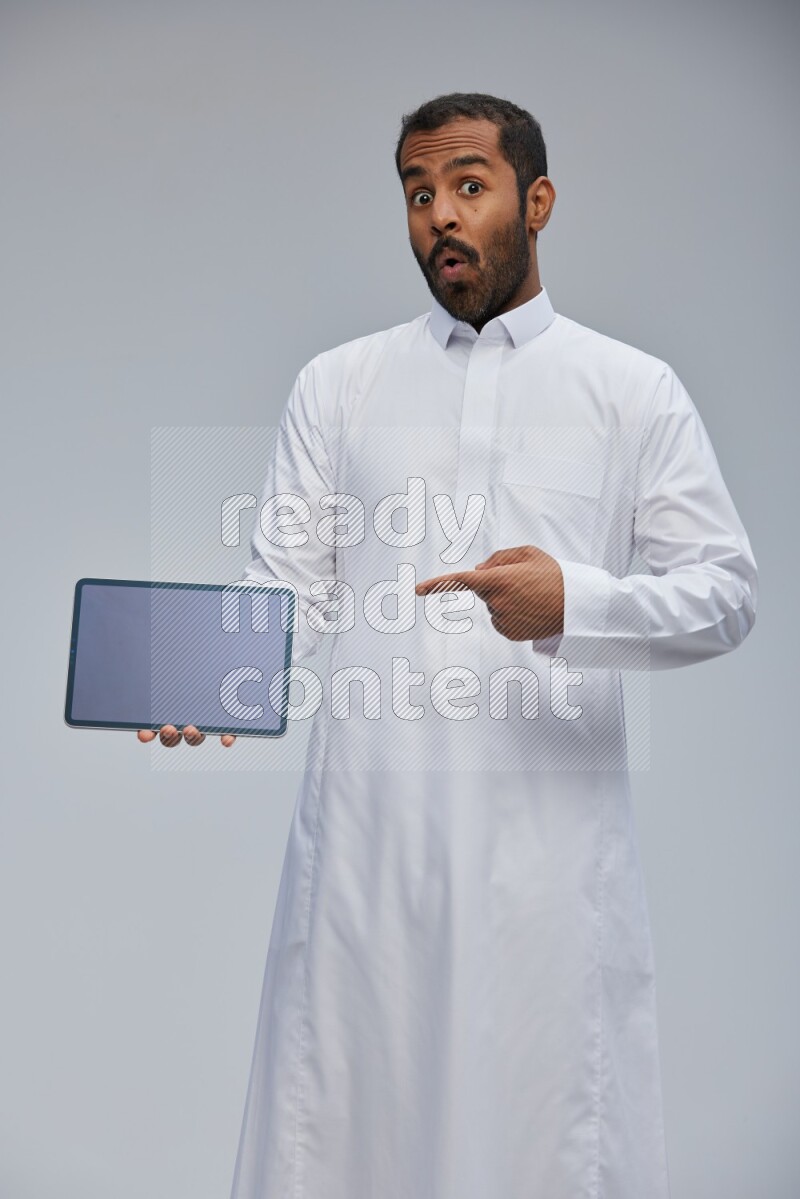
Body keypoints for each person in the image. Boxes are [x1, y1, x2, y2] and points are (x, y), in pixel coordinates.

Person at [139, 93, 757, 1198]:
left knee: (541, 1138)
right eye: (417, 193)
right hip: (365, 864)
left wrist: (572, 599)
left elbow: (722, 594)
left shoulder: (629, 391)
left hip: (546, 867)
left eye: (467, 185)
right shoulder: (339, 383)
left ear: (537, 201)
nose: (438, 216)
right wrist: (205, 682)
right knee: (342, 1135)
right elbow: (285, 593)